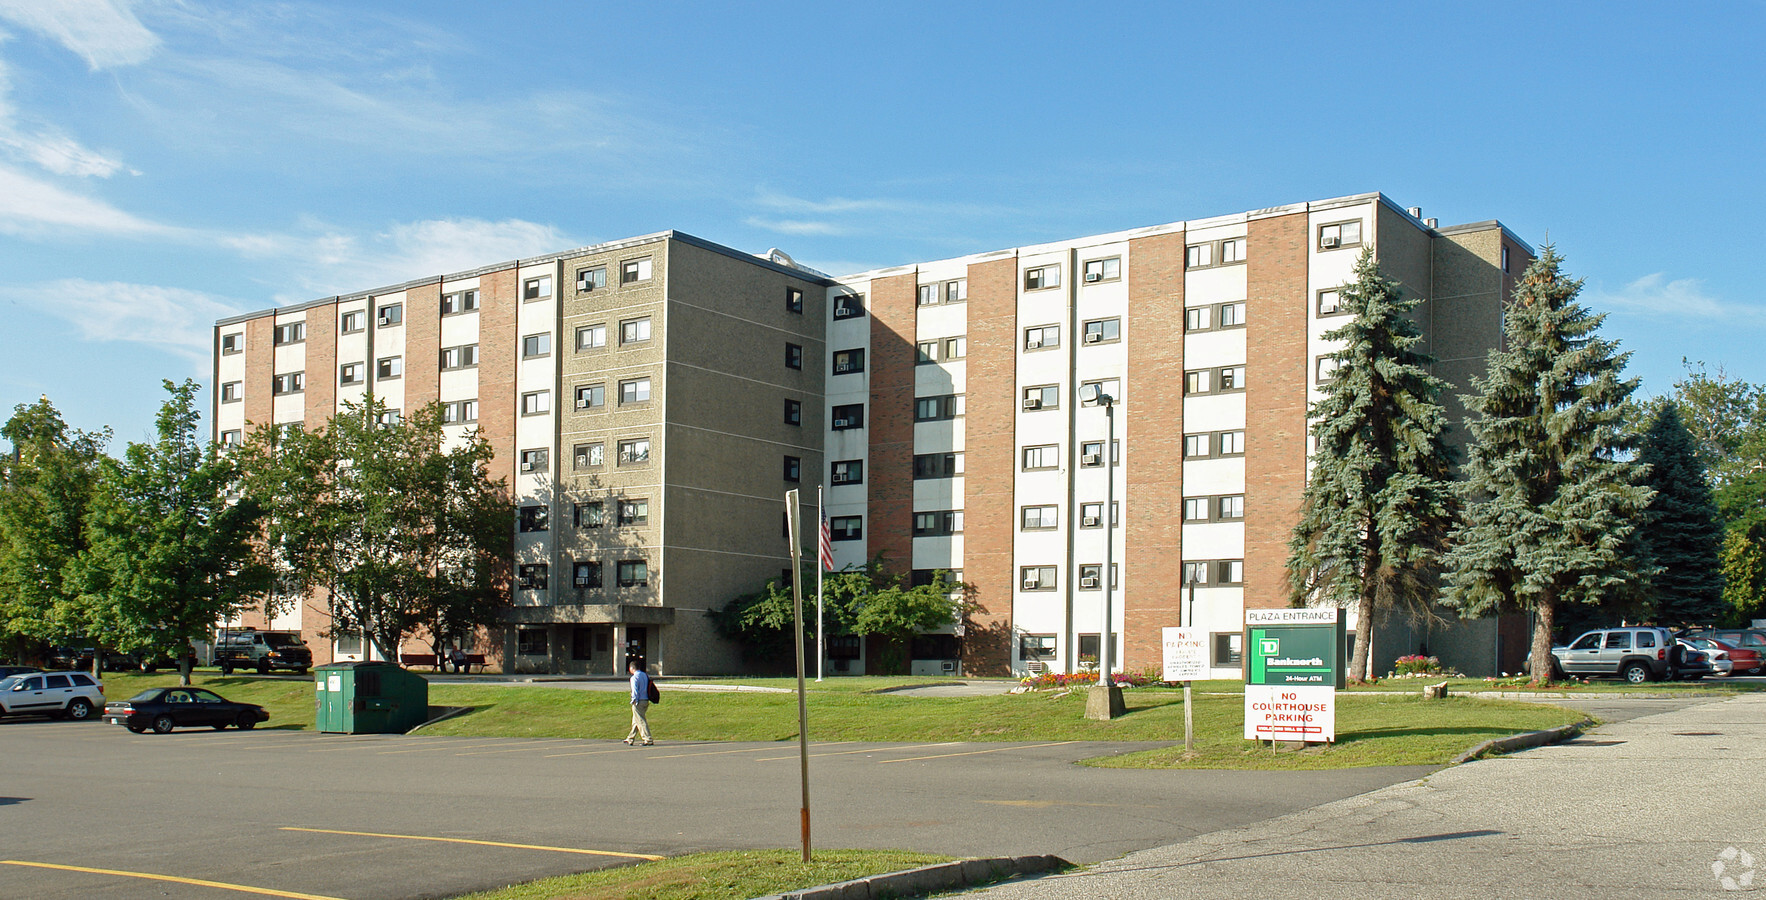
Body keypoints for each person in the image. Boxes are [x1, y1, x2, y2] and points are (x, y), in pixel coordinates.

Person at [624, 659, 653, 746]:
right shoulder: (645, 675)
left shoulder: (634, 677)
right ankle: (630, 738)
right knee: (636, 720)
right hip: (646, 700)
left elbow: (635, 690)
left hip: (638, 701)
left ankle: (648, 739)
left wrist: (633, 700)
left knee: (640, 720)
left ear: (631, 668)